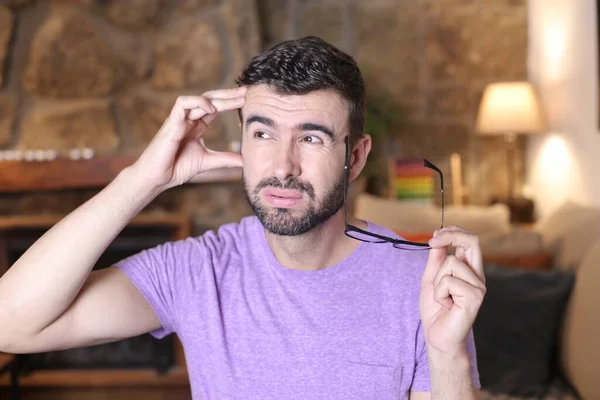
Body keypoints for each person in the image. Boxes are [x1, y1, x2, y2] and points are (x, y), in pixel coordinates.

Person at [0, 36, 486, 399]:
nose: (282, 165)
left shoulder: (417, 282)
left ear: (355, 157)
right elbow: (11, 324)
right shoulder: (198, 272)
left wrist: (448, 354)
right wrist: (141, 180)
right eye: (262, 133)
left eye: (312, 137)